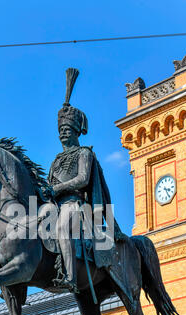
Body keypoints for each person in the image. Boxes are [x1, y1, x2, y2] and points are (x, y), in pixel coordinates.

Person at [48, 68, 125, 293]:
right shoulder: (56, 160)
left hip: (76, 206)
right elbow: (49, 184)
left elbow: (82, 180)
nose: (63, 133)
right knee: (29, 223)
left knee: (63, 225)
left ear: (76, 131)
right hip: (56, 205)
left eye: (67, 129)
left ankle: (71, 276)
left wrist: (59, 187)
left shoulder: (84, 154)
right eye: (60, 130)